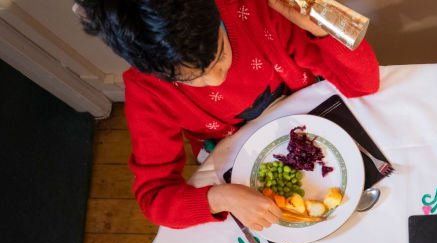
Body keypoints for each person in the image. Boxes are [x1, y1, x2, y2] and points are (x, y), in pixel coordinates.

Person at [76, 0, 380, 230]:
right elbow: (154, 197)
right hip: (230, 164)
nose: (216, 79)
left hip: (319, 120)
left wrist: (320, 29)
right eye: (190, 79)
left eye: (219, 54)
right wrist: (219, 198)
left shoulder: (255, 10)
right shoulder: (147, 92)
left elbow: (364, 84)